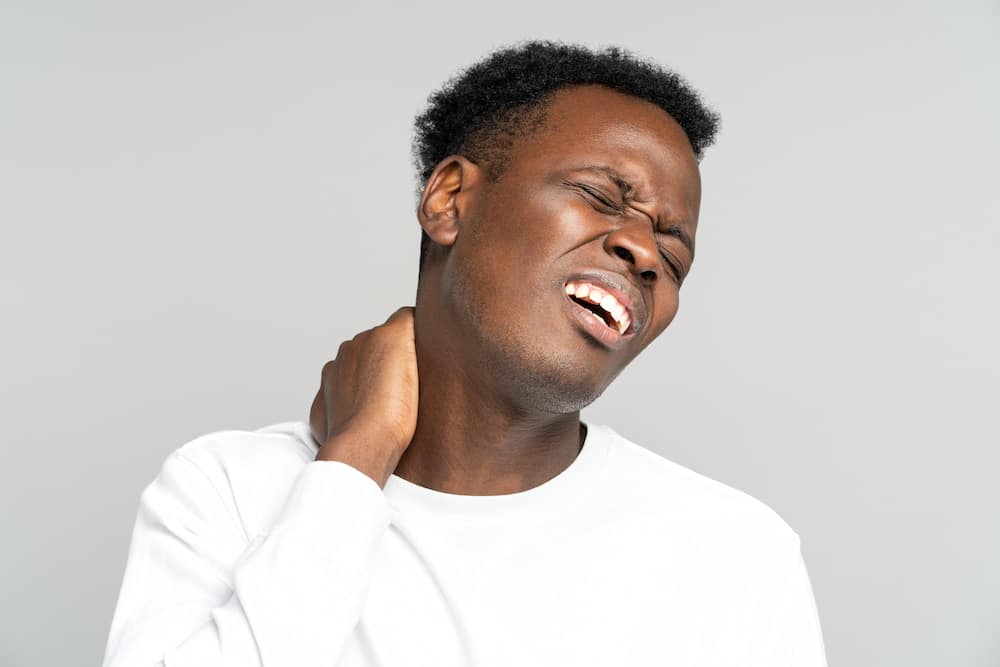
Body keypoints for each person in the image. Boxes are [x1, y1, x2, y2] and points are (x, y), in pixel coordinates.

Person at [102, 41, 828, 666]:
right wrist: (354, 465)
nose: (644, 252)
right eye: (602, 196)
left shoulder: (735, 551)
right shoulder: (229, 490)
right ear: (450, 199)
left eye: (673, 253)